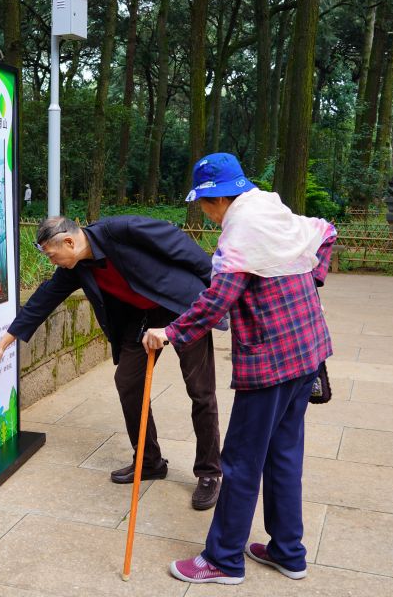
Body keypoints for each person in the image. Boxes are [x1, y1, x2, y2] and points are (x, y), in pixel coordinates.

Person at [142, 153, 335, 585]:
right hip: (307, 350)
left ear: (216, 199)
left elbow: (215, 302)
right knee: (284, 454)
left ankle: (224, 559)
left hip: (271, 359)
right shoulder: (271, 209)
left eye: (205, 205)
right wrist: (308, 279)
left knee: (242, 461)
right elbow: (326, 232)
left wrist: (169, 333)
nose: (206, 215)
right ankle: (289, 551)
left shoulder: (243, 230)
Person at [0, 214, 223, 509]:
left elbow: (183, 249)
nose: (52, 262)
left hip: (182, 306)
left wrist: (216, 297)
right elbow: (42, 300)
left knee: (200, 389)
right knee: (128, 382)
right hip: (141, 318)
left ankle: (209, 472)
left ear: (69, 241)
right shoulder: (75, 268)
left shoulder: (124, 229)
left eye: (52, 255)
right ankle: (149, 460)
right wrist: (2, 346)